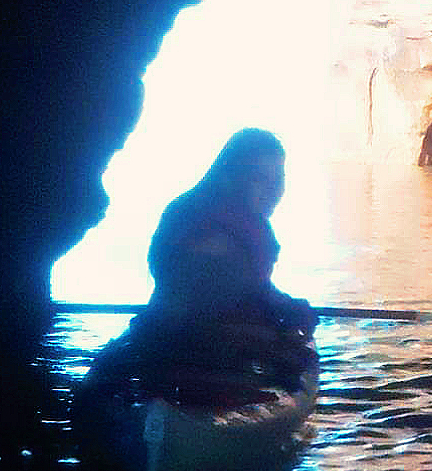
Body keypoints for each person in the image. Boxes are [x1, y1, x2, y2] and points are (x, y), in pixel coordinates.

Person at [95, 129, 317, 399]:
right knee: (298, 349)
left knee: (294, 320)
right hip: (205, 342)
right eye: (260, 179)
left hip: (169, 331)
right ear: (231, 177)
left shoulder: (182, 208)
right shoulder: (232, 226)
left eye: (278, 179)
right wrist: (289, 317)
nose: (273, 190)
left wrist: (286, 305)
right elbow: (224, 291)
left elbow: (247, 288)